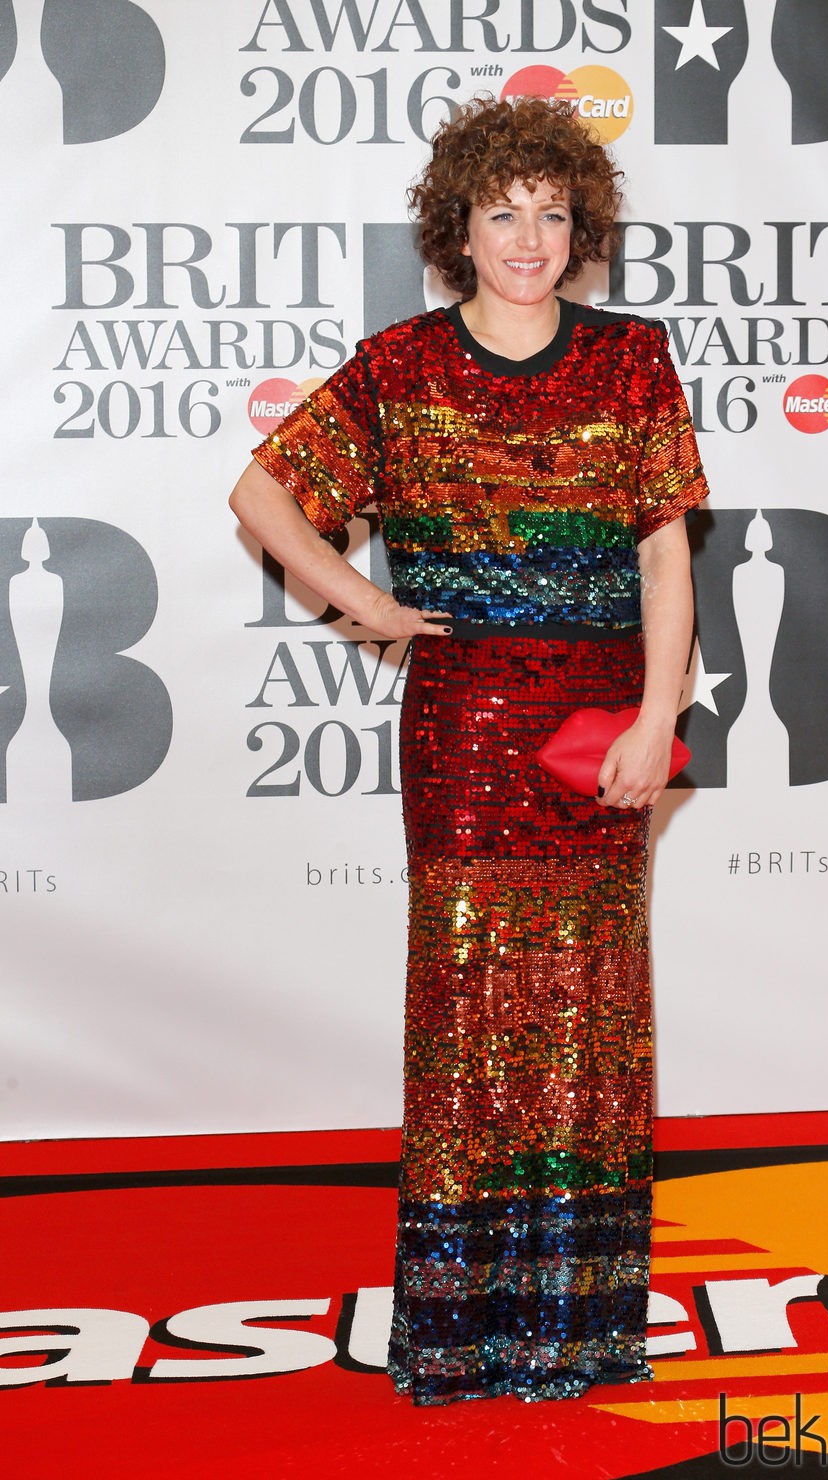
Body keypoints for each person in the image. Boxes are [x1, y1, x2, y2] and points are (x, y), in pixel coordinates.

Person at [229, 95, 708, 1406]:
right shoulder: (399, 368)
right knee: (469, 1024)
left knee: (595, 1021)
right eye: (504, 213)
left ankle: (579, 1326)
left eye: (552, 214)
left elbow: (666, 553)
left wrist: (661, 717)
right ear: (461, 226)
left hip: (603, 735)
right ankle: (463, 1334)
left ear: (580, 227)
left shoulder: (633, 360)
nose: (529, 239)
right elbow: (262, 492)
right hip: (462, 734)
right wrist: (363, 604)